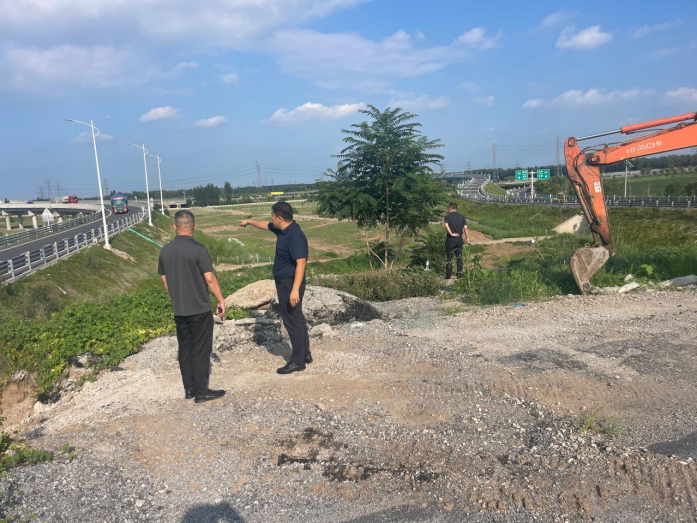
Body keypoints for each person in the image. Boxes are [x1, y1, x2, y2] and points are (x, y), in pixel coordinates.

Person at [158, 210, 227, 403]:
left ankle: (189, 389)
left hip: (179, 309)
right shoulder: (199, 249)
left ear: (175, 227)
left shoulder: (165, 250)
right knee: (201, 349)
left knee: (185, 349)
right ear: (194, 226)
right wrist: (221, 300)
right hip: (199, 308)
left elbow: (164, 280)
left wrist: (176, 297)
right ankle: (201, 391)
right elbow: (210, 278)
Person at [239, 202, 311, 375]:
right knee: (297, 318)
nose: (271, 219)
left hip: (290, 283)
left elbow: (301, 263)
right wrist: (249, 222)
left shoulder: (295, 235)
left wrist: (295, 289)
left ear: (279, 218)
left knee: (292, 320)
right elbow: (265, 225)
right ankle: (305, 354)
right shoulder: (283, 229)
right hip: (286, 282)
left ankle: (298, 361)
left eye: (272, 216)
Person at [443, 202, 470, 279]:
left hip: (450, 240)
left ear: (450, 208)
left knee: (449, 258)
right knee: (459, 257)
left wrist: (451, 234)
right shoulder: (462, 217)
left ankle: (448, 275)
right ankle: (459, 274)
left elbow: (446, 226)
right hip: (459, 239)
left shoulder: (447, 217)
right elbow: (465, 228)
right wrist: (467, 238)